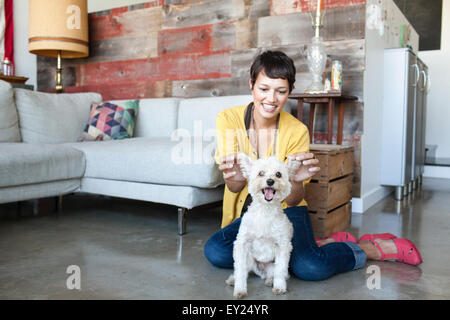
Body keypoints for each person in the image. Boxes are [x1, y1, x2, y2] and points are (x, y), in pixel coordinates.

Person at [204, 50, 422, 282]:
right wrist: (237, 176)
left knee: (309, 267)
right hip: (250, 214)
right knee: (216, 251)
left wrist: (295, 180)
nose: (271, 99)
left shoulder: (297, 131)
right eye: (264, 89)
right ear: (252, 86)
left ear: (289, 92)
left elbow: (294, 199)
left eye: (281, 91)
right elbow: (235, 187)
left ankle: (368, 248)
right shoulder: (228, 120)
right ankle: (322, 243)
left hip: (284, 213)